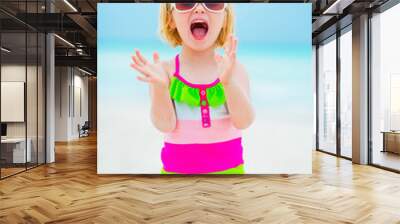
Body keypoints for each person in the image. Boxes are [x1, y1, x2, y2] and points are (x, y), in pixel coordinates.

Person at [130, 3, 254, 174]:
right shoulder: (164, 72)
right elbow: (164, 125)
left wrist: (228, 83)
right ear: (170, 19)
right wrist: (160, 87)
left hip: (229, 174)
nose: (199, 9)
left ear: (224, 18)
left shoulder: (235, 70)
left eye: (213, 3)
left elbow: (244, 121)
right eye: (185, 3)